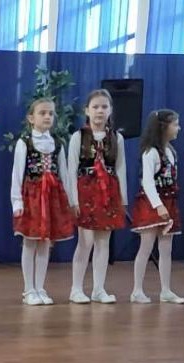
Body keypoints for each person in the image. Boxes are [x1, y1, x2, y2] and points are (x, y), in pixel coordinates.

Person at [10, 98, 76, 305]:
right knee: (30, 242)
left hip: (52, 197)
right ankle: (28, 289)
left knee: (45, 243)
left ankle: (40, 287)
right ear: (31, 118)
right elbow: (17, 174)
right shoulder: (25, 142)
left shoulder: (57, 143)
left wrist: (69, 201)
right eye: (42, 113)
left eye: (51, 113)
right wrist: (17, 202)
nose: (47, 116)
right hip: (32, 196)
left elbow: (64, 174)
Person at [68, 89, 128, 304]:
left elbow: (120, 168)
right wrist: (73, 199)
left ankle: (99, 289)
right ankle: (76, 288)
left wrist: (122, 199)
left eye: (104, 107)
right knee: (85, 242)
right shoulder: (79, 136)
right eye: (95, 107)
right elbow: (71, 169)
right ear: (87, 110)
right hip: (86, 191)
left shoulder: (116, 138)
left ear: (110, 110)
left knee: (104, 242)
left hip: (108, 193)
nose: (100, 111)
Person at [130, 109, 184, 304]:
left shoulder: (171, 151)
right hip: (152, 204)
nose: (178, 128)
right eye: (175, 124)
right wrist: (158, 205)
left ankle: (166, 290)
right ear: (163, 127)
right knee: (146, 247)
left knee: (166, 248)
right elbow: (147, 182)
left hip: (169, 201)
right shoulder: (151, 153)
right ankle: (137, 290)